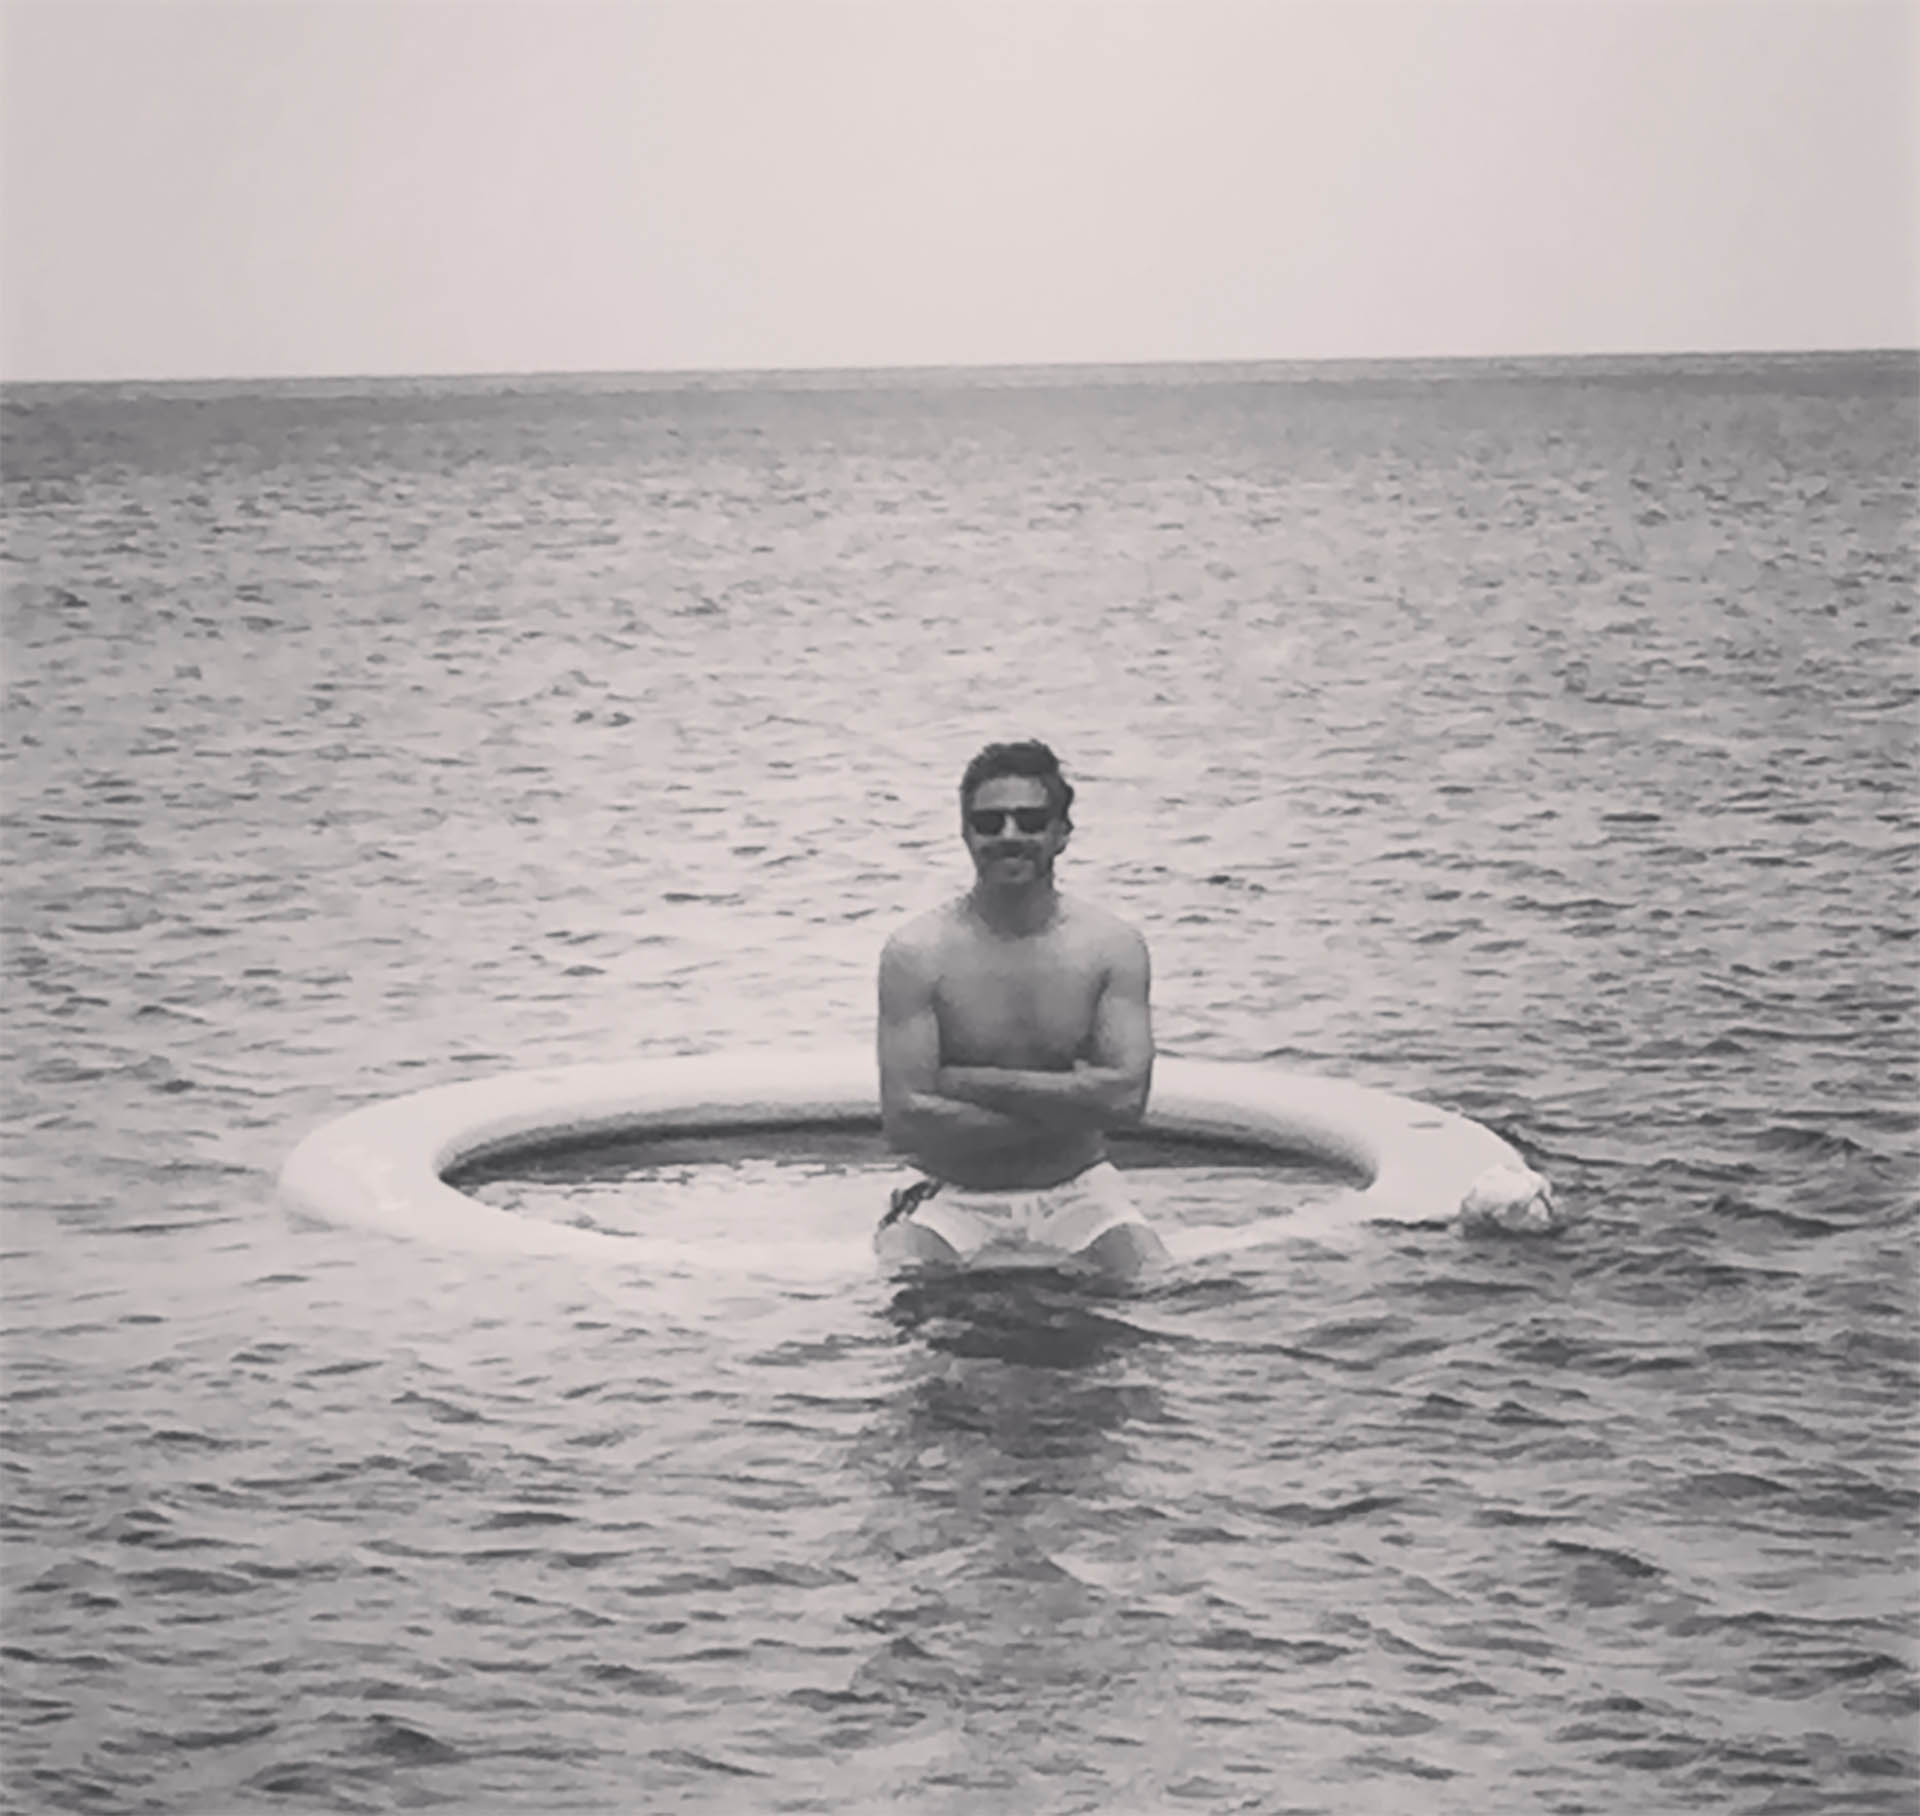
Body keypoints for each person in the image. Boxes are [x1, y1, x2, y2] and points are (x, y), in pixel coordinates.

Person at [874, 740, 1169, 1281]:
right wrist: (1075, 1106)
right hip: (952, 1195)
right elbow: (906, 1122)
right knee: (901, 1282)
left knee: (1156, 1279)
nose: (1009, 835)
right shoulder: (917, 953)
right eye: (989, 822)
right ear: (966, 833)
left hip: (1079, 1191)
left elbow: (1128, 1101)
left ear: (1062, 833)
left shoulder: (1110, 947)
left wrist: (969, 1083)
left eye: (1030, 821)